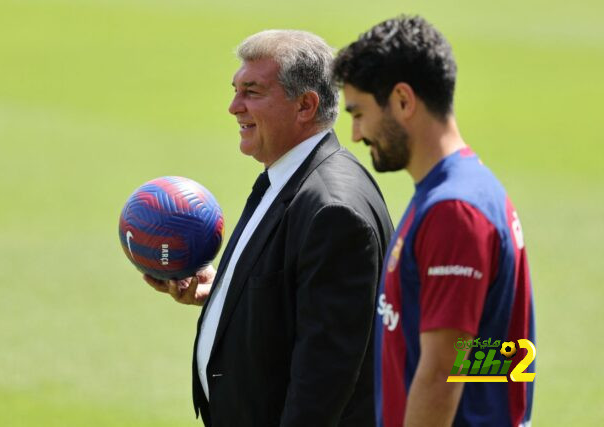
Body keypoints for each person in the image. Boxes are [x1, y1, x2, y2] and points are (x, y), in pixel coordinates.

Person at [145, 29, 393, 426]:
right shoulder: (289, 177)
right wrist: (224, 293)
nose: (233, 107)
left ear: (305, 106)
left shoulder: (333, 211)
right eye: (235, 90)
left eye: (252, 92)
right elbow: (294, 302)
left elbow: (324, 377)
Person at [333, 16, 535, 427]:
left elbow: (442, 374)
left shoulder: (453, 210)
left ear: (404, 101)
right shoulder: (461, 190)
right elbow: (492, 349)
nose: (355, 134)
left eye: (359, 113)